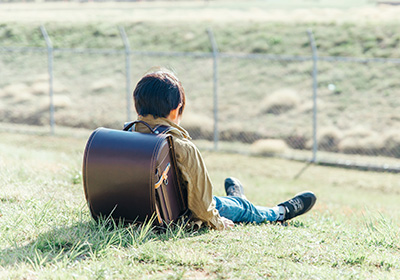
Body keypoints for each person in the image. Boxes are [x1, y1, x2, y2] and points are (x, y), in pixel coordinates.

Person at [131, 69, 316, 230]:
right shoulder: (182, 147)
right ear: (176, 109)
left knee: (233, 204)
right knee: (242, 208)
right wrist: (217, 223)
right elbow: (203, 207)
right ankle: (280, 212)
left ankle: (238, 198)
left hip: (134, 214)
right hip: (180, 216)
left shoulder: (124, 137)